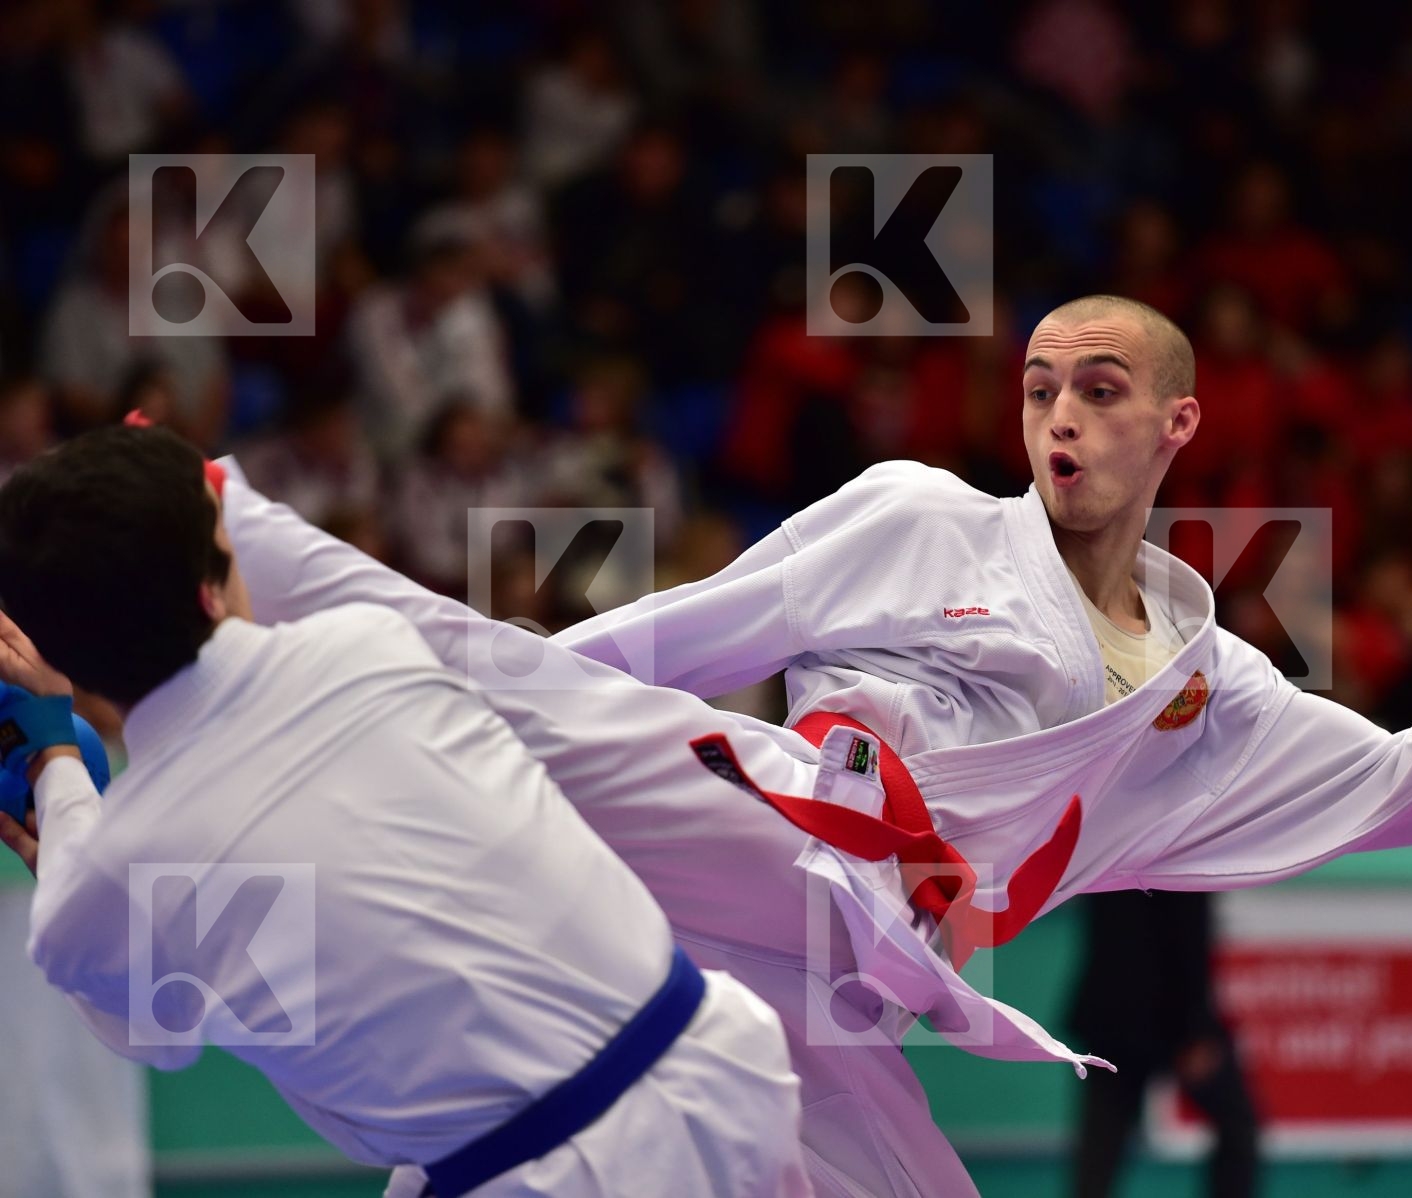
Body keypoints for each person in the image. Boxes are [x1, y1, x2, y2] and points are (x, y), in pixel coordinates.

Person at [205, 296, 1412, 1197]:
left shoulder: (1212, 689)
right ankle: (217, 529)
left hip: (854, 995)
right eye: (1040, 385)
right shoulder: (916, 515)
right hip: (756, 830)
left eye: (1102, 388)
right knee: (512, 698)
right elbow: (660, 643)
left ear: (1180, 420)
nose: (1060, 413)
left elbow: (1399, 790)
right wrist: (479, 736)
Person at [0, 427, 810, 1198]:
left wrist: (56, 764)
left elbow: (150, 1026)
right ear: (213, 586)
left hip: (547, 1175)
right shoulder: (370, 644)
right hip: (729, 1074)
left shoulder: (105, 879)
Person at [1068, 891, 1258, 1198]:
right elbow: (1187, 928)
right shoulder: (1175, 847)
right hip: (1164, 1018)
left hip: (1110, 1012)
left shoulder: (1108, 845)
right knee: (1238, 1128)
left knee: (1098, 1155)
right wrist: (1197, 1029)